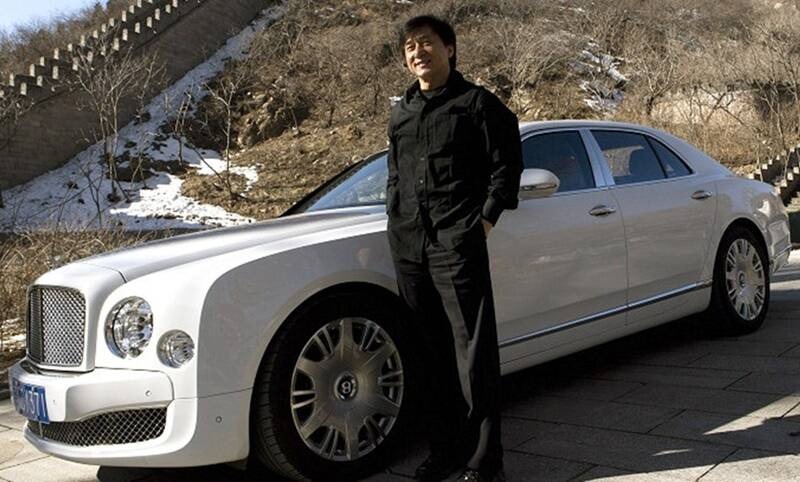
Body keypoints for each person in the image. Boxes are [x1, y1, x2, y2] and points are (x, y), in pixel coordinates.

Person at [385, 14, 523, 482]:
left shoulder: (477, 104)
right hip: (410, 246)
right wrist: (394, 216)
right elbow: (395, 176)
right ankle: (444, 451)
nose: (417, 52)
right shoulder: (400, 112)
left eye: (426, 43)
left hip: (456, 244)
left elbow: (507, 164)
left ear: (449, 48)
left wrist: (483, 220)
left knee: (473, 354)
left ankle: (485, 462)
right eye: (409, 47)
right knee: (428, 354)